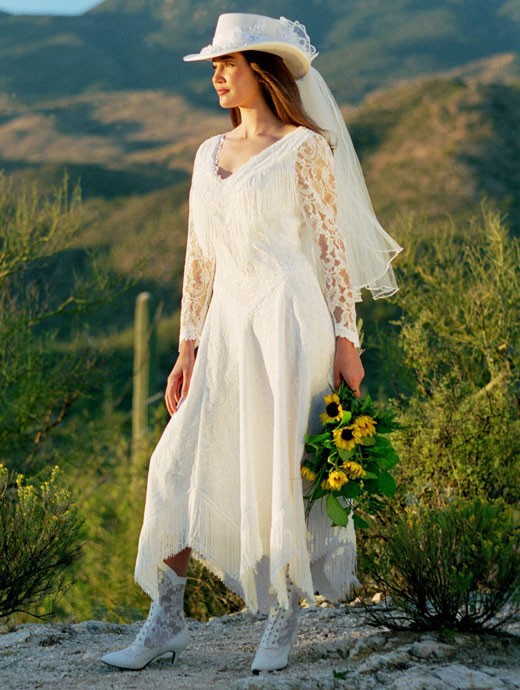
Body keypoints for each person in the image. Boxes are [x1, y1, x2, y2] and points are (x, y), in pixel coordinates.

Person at [101, 13, 401, 675]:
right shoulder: (208, 155)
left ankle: (285, 616)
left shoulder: (304, 149)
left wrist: (347, 338)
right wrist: (187, 348)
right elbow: (198, 261)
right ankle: (167, 618)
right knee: (174, 464)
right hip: (228, 324)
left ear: (260, 70)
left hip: (291, 321)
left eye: (226, 64)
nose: (216, 76)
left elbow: (330, 253)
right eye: (214, 66)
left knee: (284, 467)